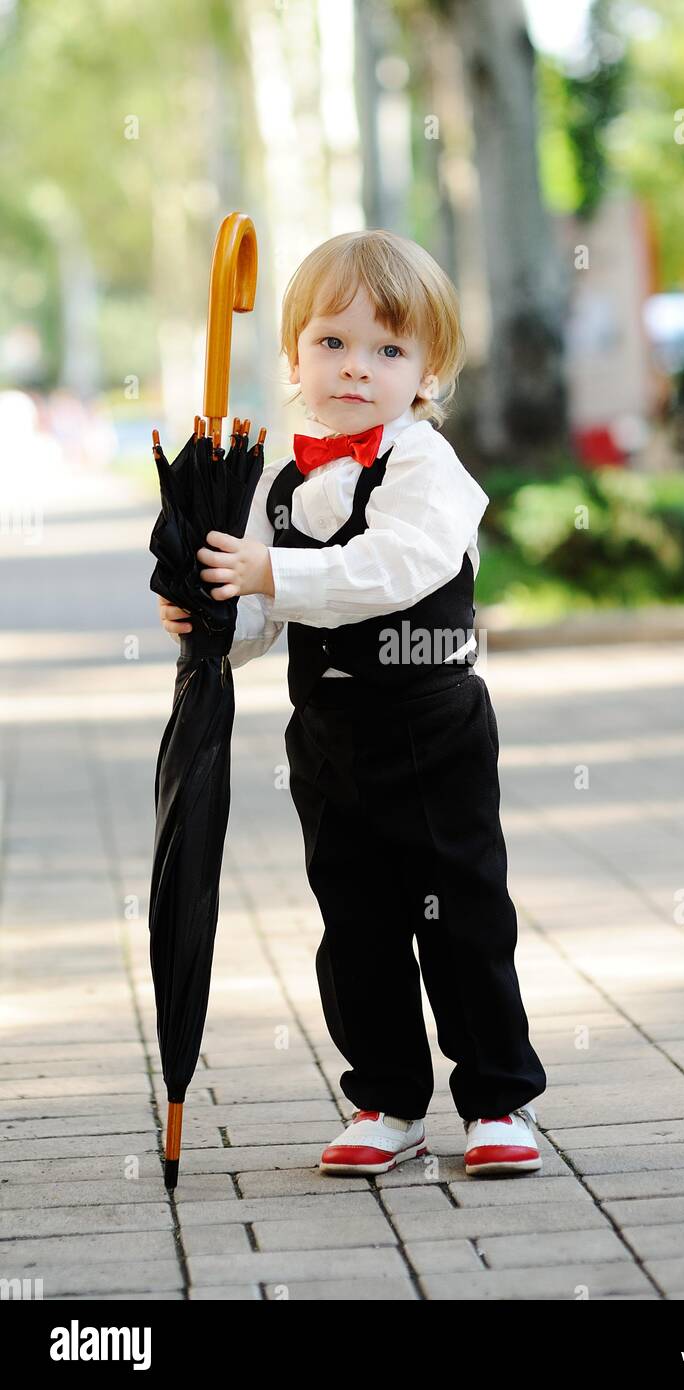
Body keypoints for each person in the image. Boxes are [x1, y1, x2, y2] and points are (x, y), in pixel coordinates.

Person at [157, 229, 546, 1177]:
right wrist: (211, 622)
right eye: (331, 343)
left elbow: (391, 570)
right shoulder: (283, 485)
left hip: (433, 729)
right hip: (330, 739)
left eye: (387, 350)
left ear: (427, 370)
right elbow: (264, 608)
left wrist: (269, 572)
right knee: (356, 920)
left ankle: (497, 1100)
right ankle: (385, 1097)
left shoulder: (424, 469)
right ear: (293, 357)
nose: (357, 369)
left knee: (462, 919)